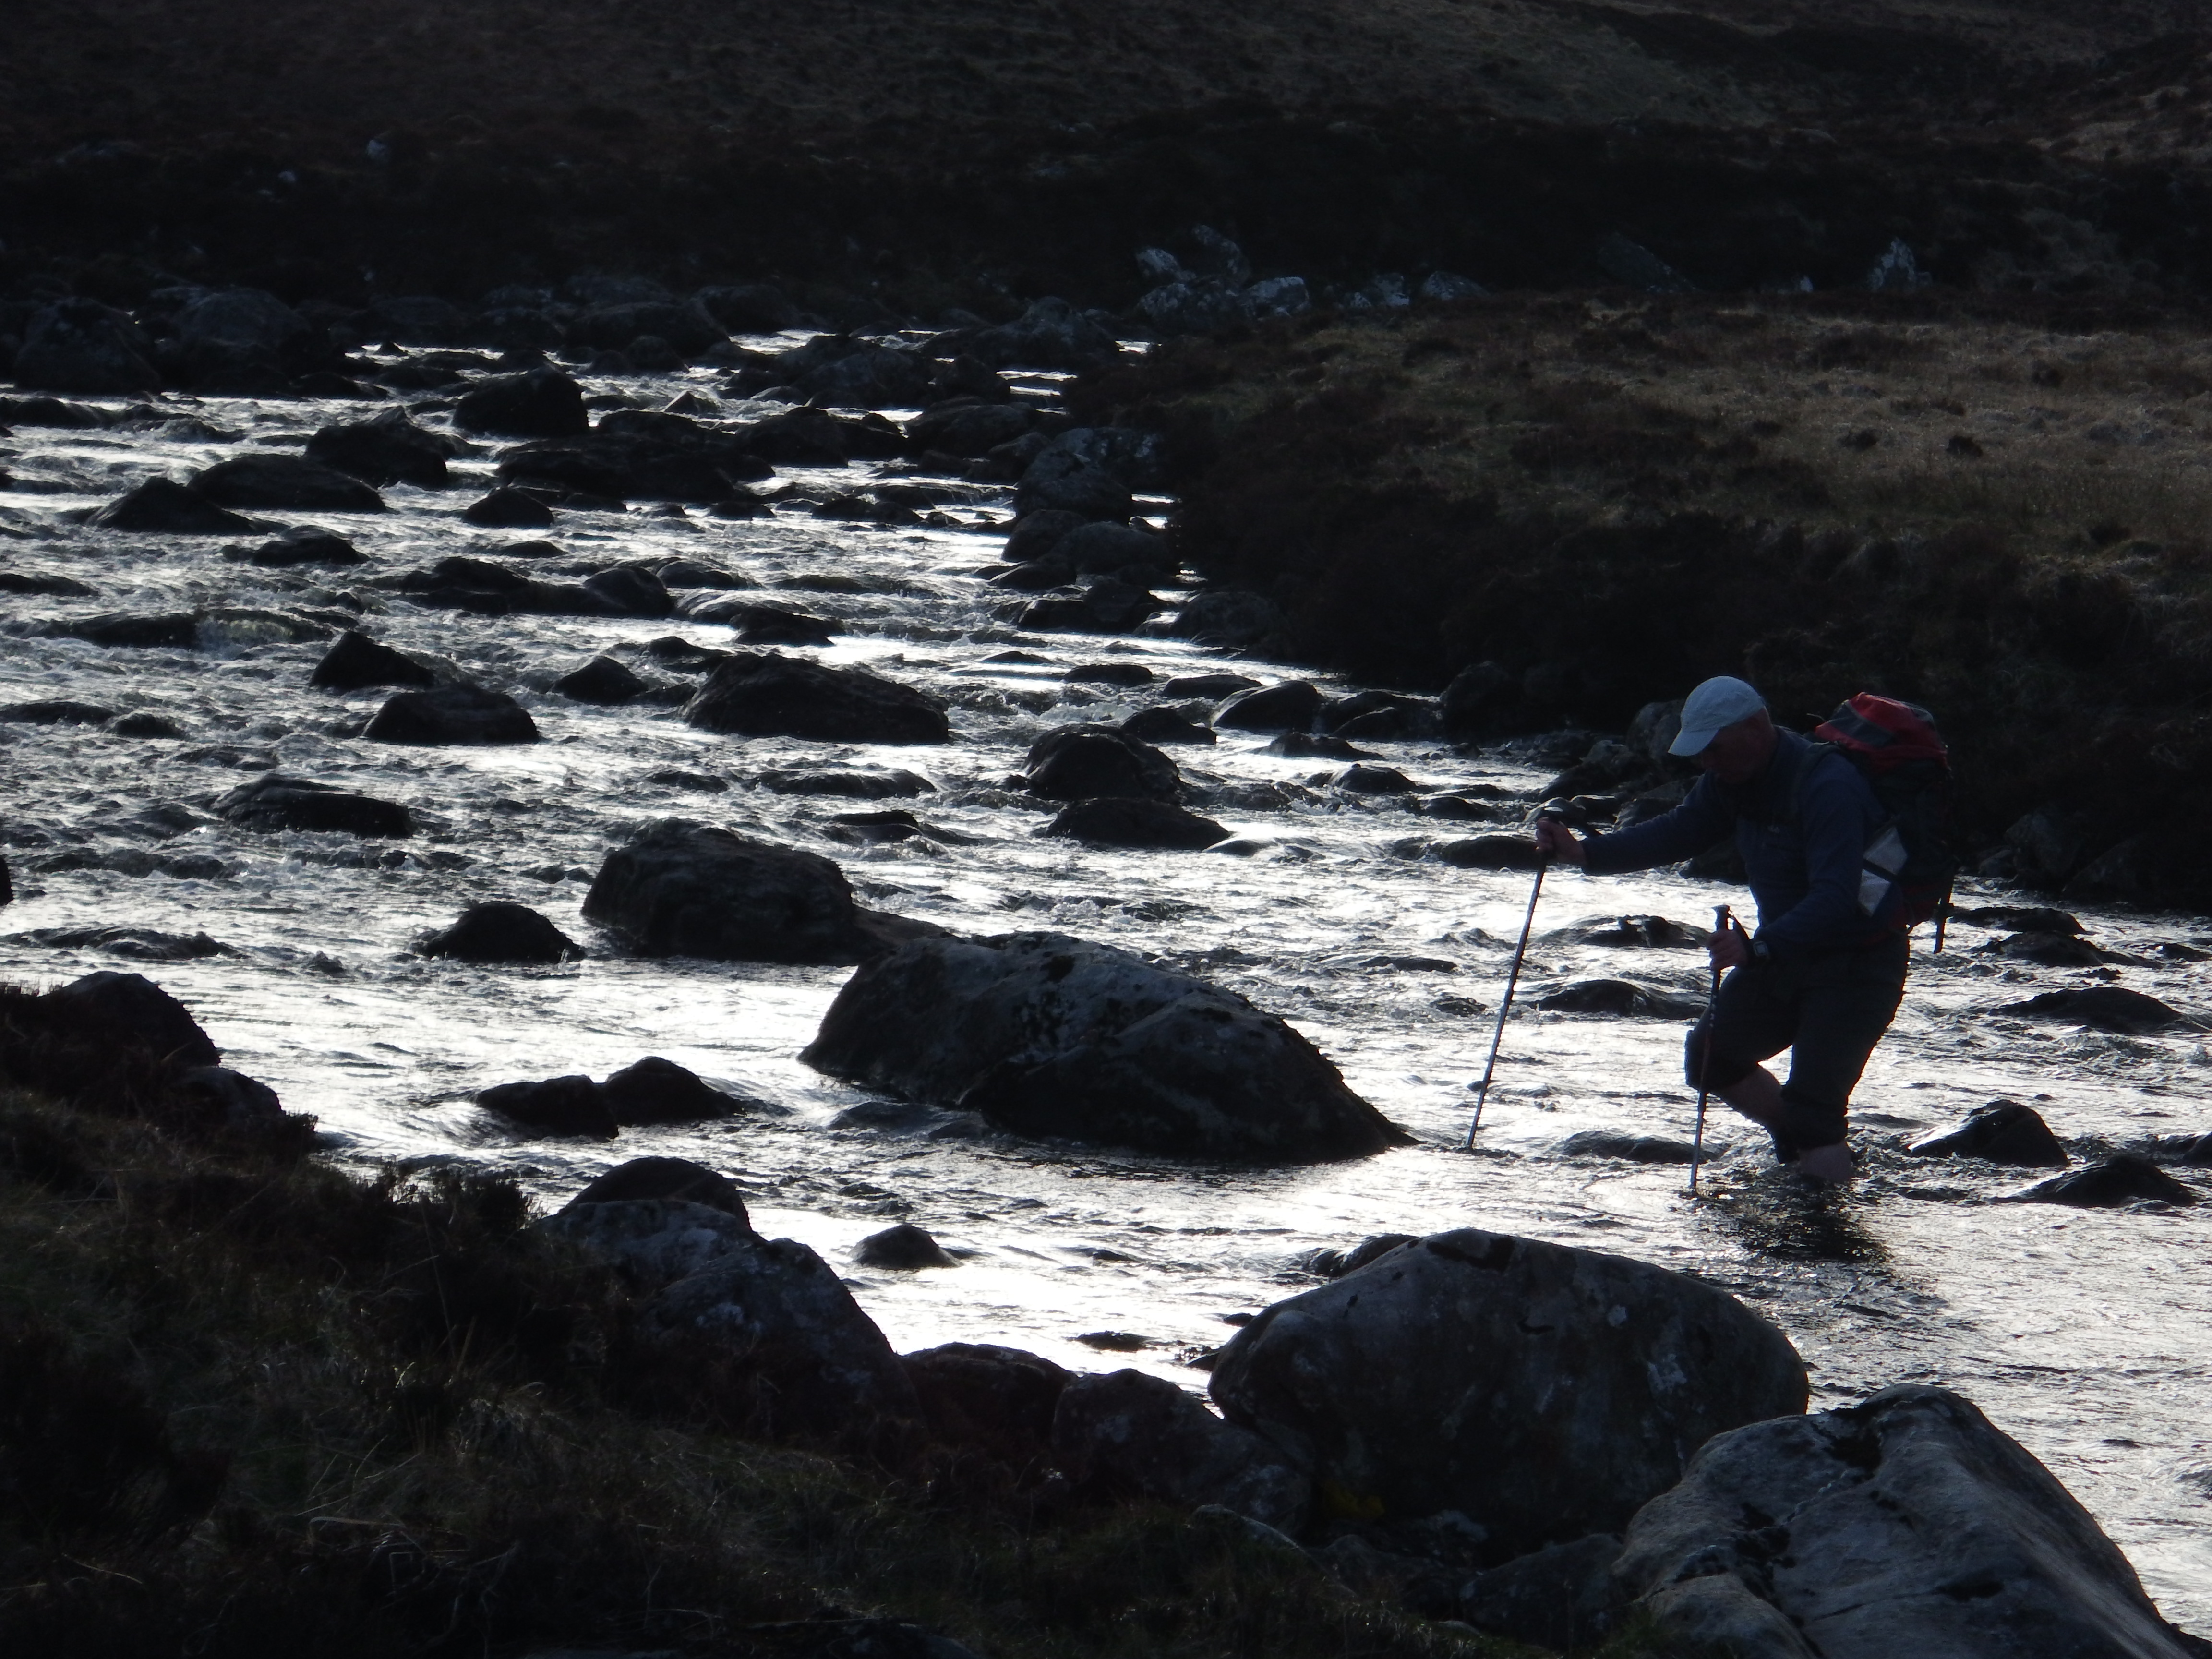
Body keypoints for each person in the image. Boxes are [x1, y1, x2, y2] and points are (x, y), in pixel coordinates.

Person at [1532, 675, 1908, 1184]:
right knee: (1713, 1057)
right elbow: (1677, 832)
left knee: (1816, 1110)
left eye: (1715, 749)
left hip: (1858, 966)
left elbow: (1836, 898)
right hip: (1781, 955)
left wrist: (1759, 947)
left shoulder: (1829, 786)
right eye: (1700, 753)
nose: (1706, 763)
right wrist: (1585, 853)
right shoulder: (1731, 780)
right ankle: (1801, 1153)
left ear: (1755, 727)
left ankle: (1826, 1216)